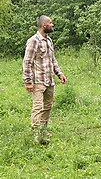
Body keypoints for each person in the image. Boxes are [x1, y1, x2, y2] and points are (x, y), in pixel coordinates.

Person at [22, 15, 67, 144]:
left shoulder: (49, 41)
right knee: (38, 107)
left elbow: (52, 60)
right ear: (44, 25)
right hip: (38, 81)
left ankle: (43, 130)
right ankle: (37, 135)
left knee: (47, 106)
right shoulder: (33, 41)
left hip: (49, 80)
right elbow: (27, 62)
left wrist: (59, 73)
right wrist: (28, 81)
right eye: (50, 23)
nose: (52, 25)